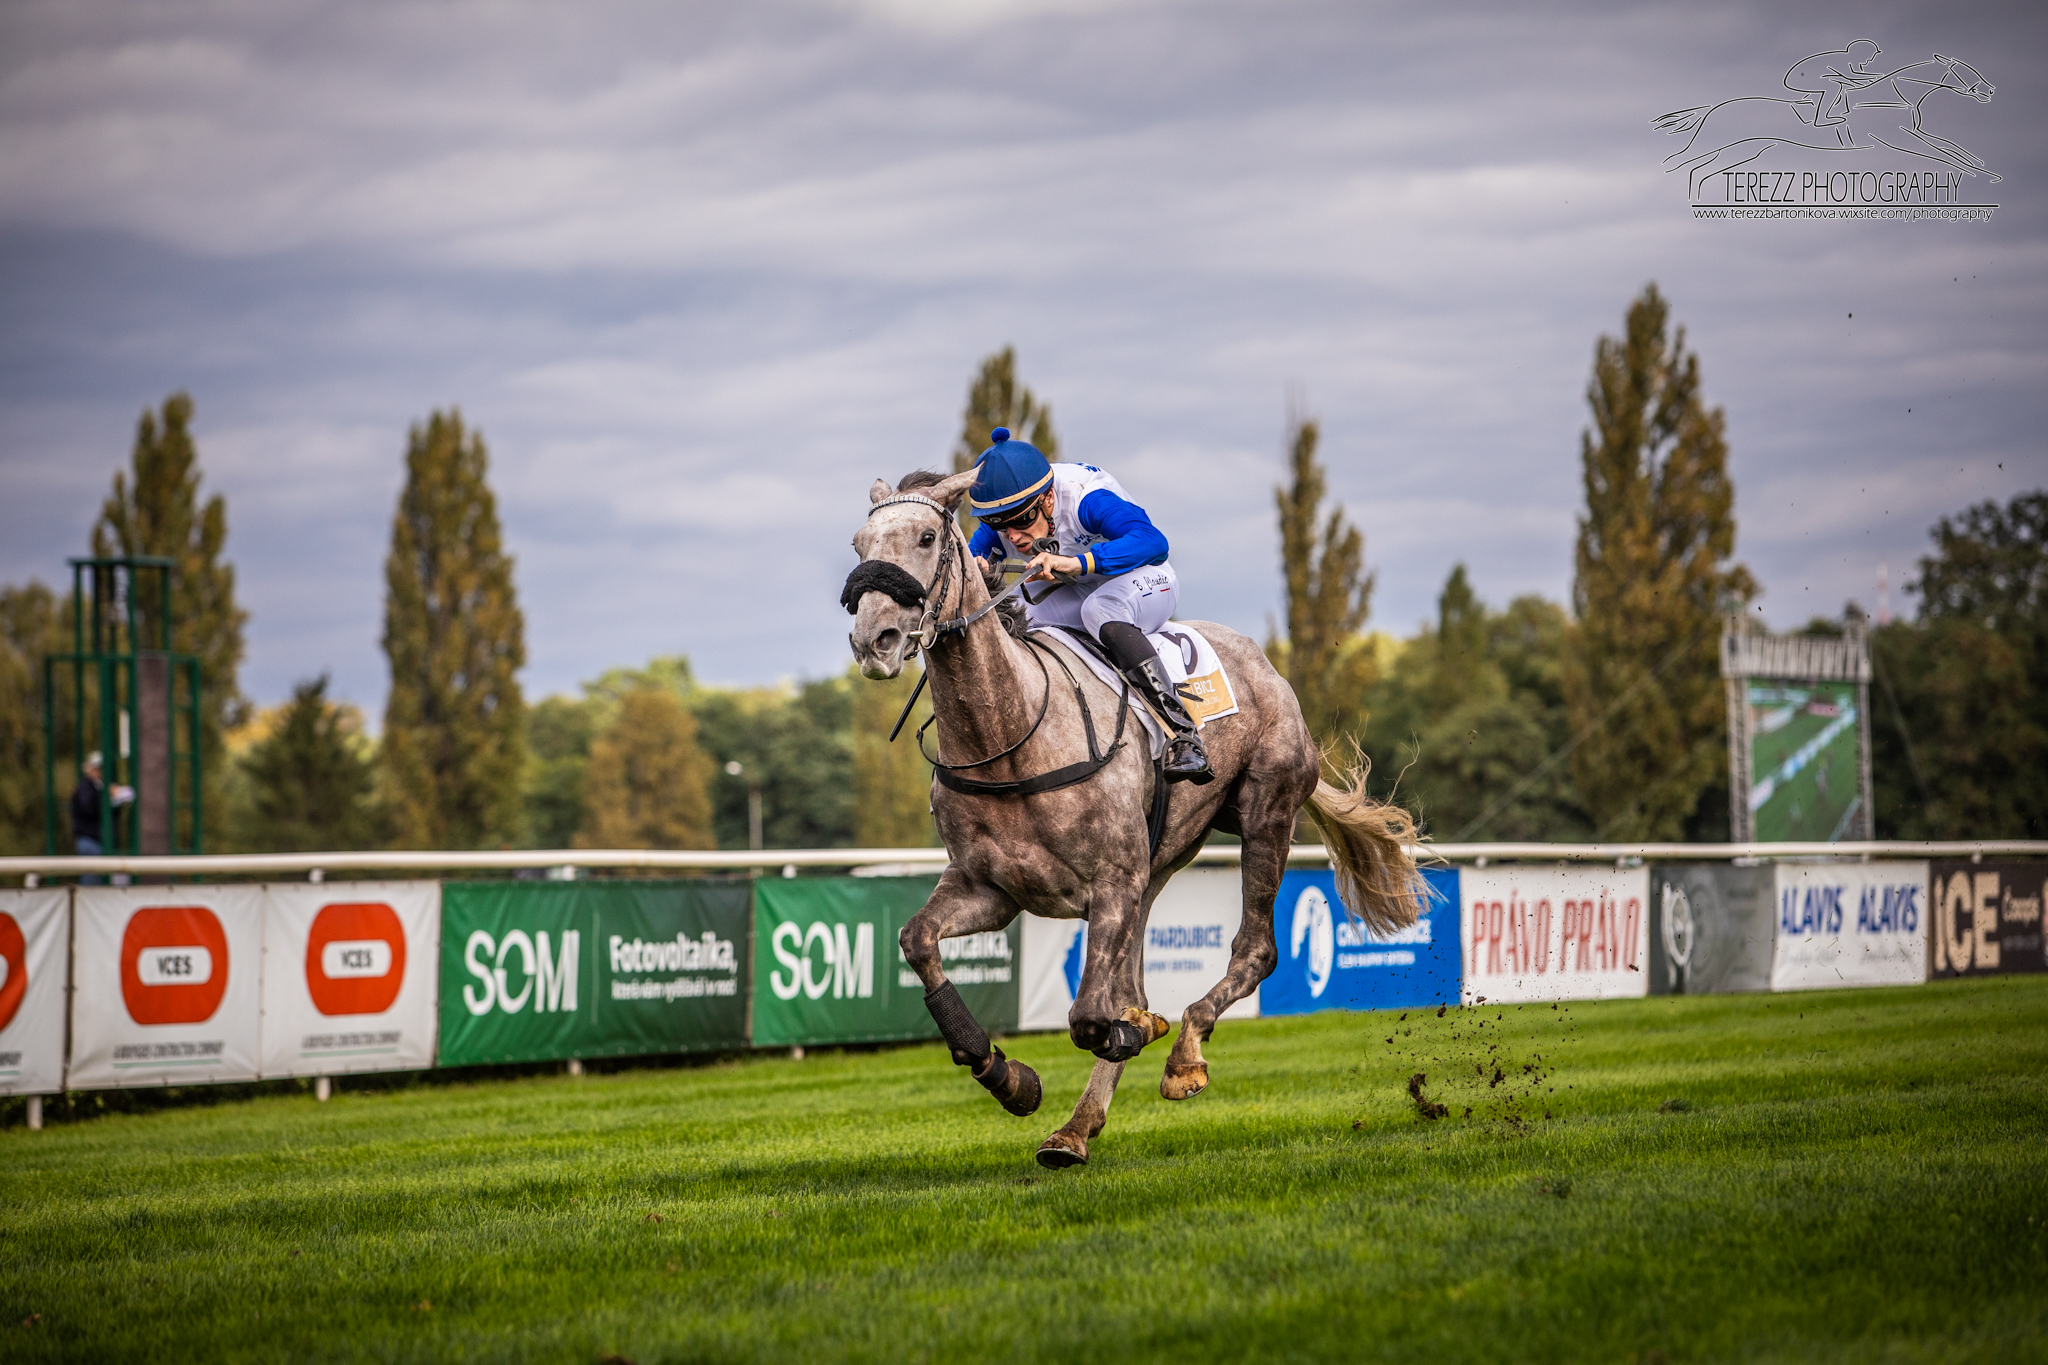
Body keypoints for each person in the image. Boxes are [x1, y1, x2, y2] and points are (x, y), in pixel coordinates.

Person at [967, 427, 1213, 784]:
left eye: (1021, 521)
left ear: (1048, 499)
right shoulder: (1009, 515)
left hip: (1144, 579)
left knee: (1099, 609)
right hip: (1077, 589)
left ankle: (1184, 736)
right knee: (1015, 620)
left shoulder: (1086, 498)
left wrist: (1080, 563)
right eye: (998, 525)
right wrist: (975, 564)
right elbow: (975, 552)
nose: (1013, 537)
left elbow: (1154, 541)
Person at [71, 751, 133, 884]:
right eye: (97, 768)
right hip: (90, 841)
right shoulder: (86, 787)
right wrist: (108, 796)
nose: (99, 772)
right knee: (92, 879)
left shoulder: (97, 787)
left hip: (98, 841)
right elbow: (89, 808)